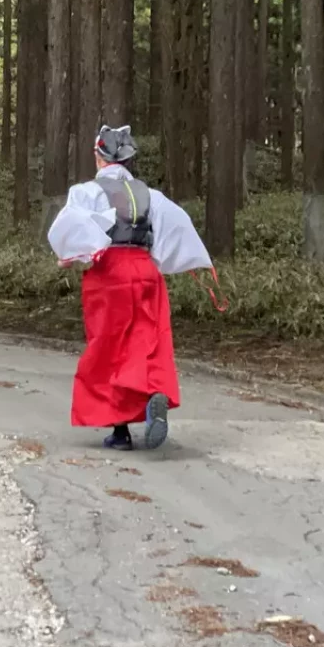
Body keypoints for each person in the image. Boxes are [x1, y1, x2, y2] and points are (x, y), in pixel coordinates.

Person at [49, 125, 212, 451]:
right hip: (146, 270)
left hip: (108, 273)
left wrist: (72, 255)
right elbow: (175, 229)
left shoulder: (87, 192)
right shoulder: (151, 196)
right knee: (147, 340)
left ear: (99, 156)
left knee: (109, 348)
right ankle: (154, 394)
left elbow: (74, 228)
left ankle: (120, 432)